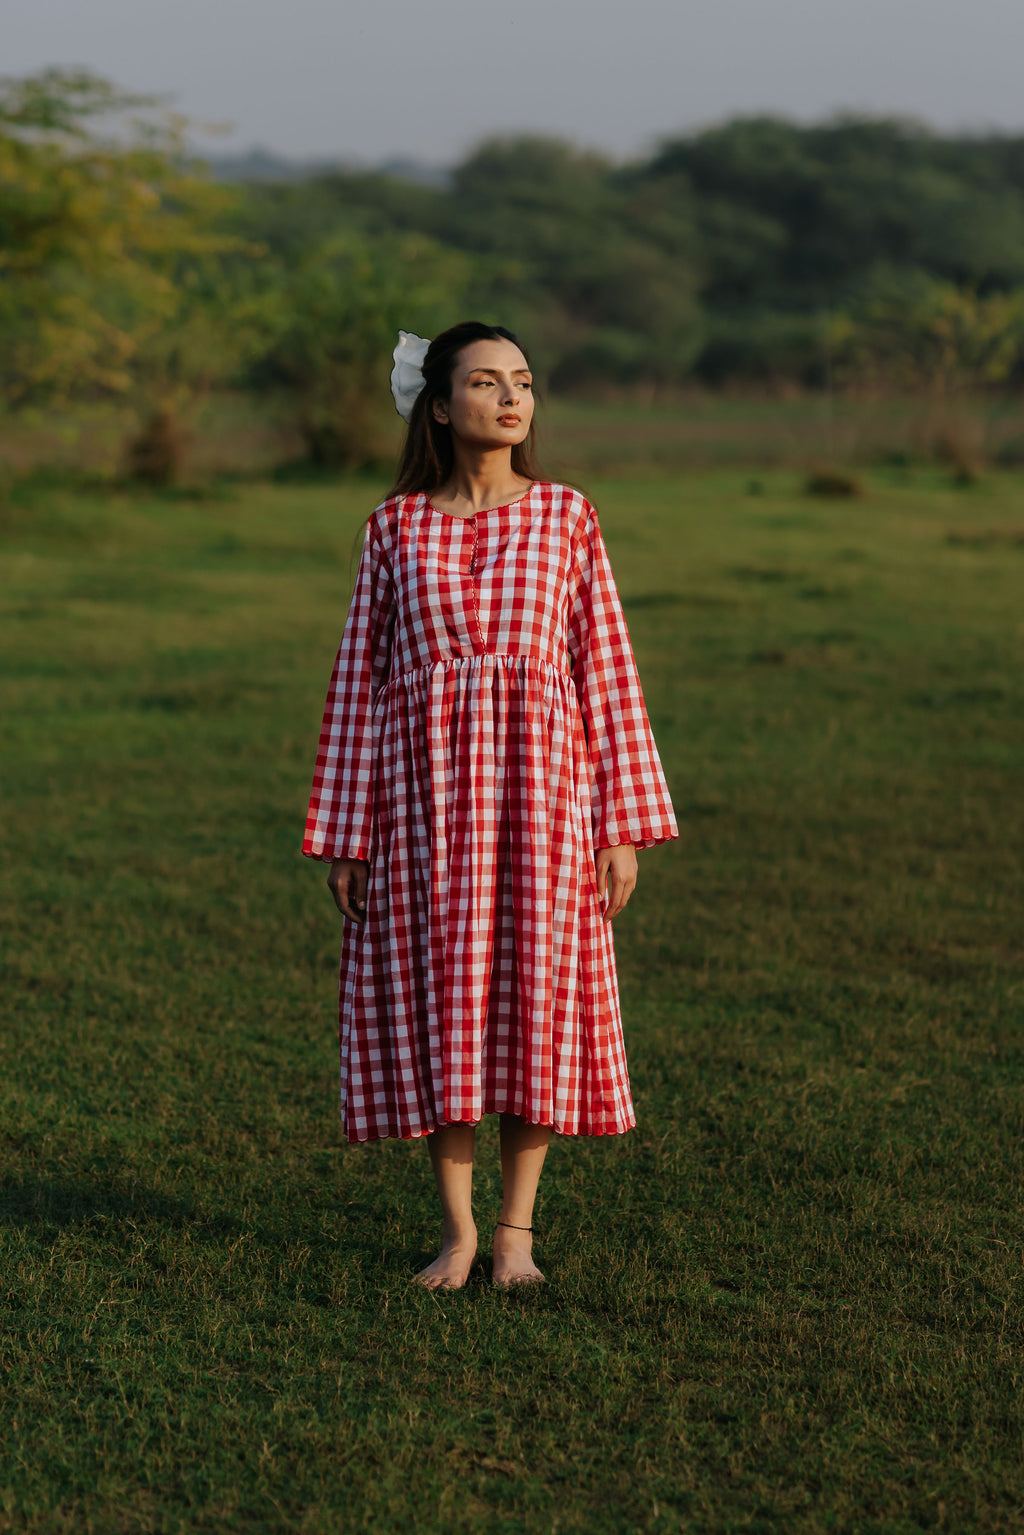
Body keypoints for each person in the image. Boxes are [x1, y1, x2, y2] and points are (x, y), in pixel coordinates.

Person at [303, 321, 678, 1289]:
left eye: (522, 381)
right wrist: (347, 834)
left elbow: (606, 672)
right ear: (438, 406)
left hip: (545, 802)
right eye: (484, 382)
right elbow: (358, 685)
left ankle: (516, 1231)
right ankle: (458, 1231)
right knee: (444, 1003)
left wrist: (621, 827)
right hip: (423, 807)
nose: (511, 398)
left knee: (534, 1000)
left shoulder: (566, 516)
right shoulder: (393, 528)